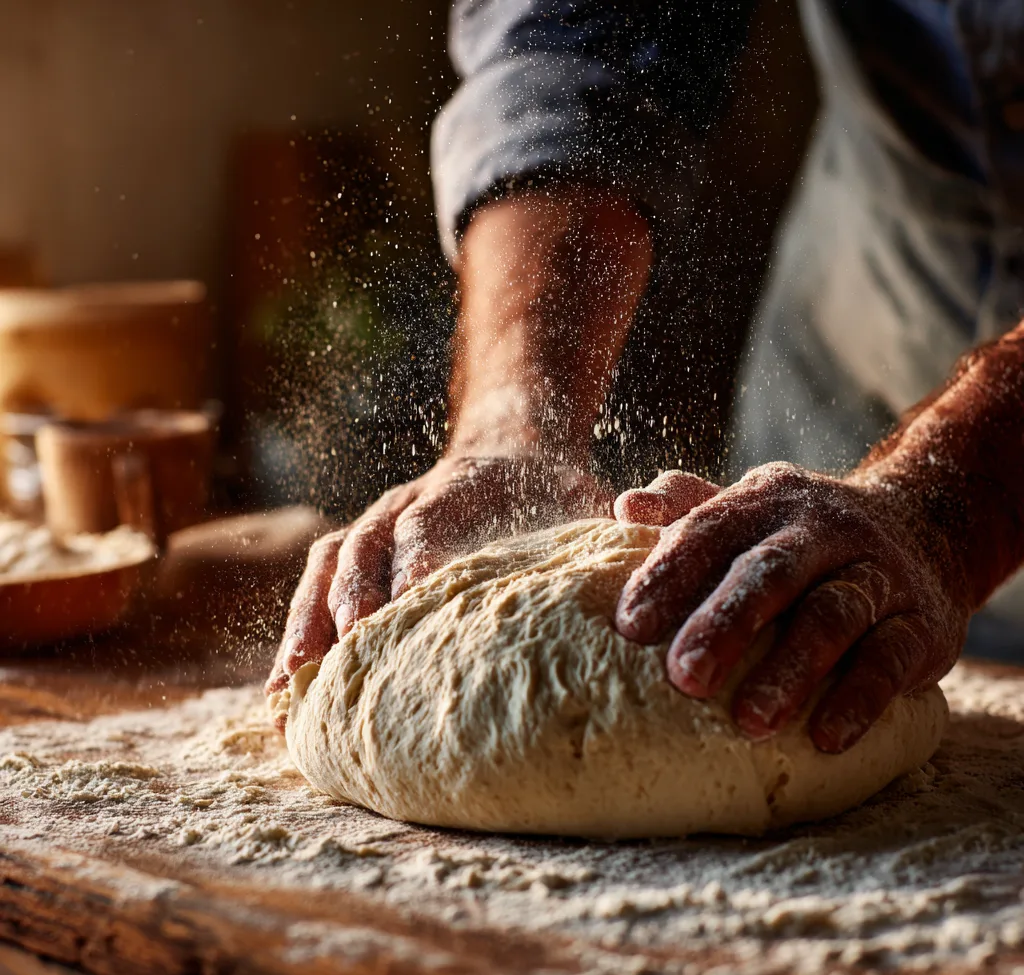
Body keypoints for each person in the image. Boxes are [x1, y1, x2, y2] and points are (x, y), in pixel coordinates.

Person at [267, 0, 1024, 754]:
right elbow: (574, 30)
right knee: (771, 652)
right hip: (881, 278)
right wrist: (512, 426)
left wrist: (944, 509)